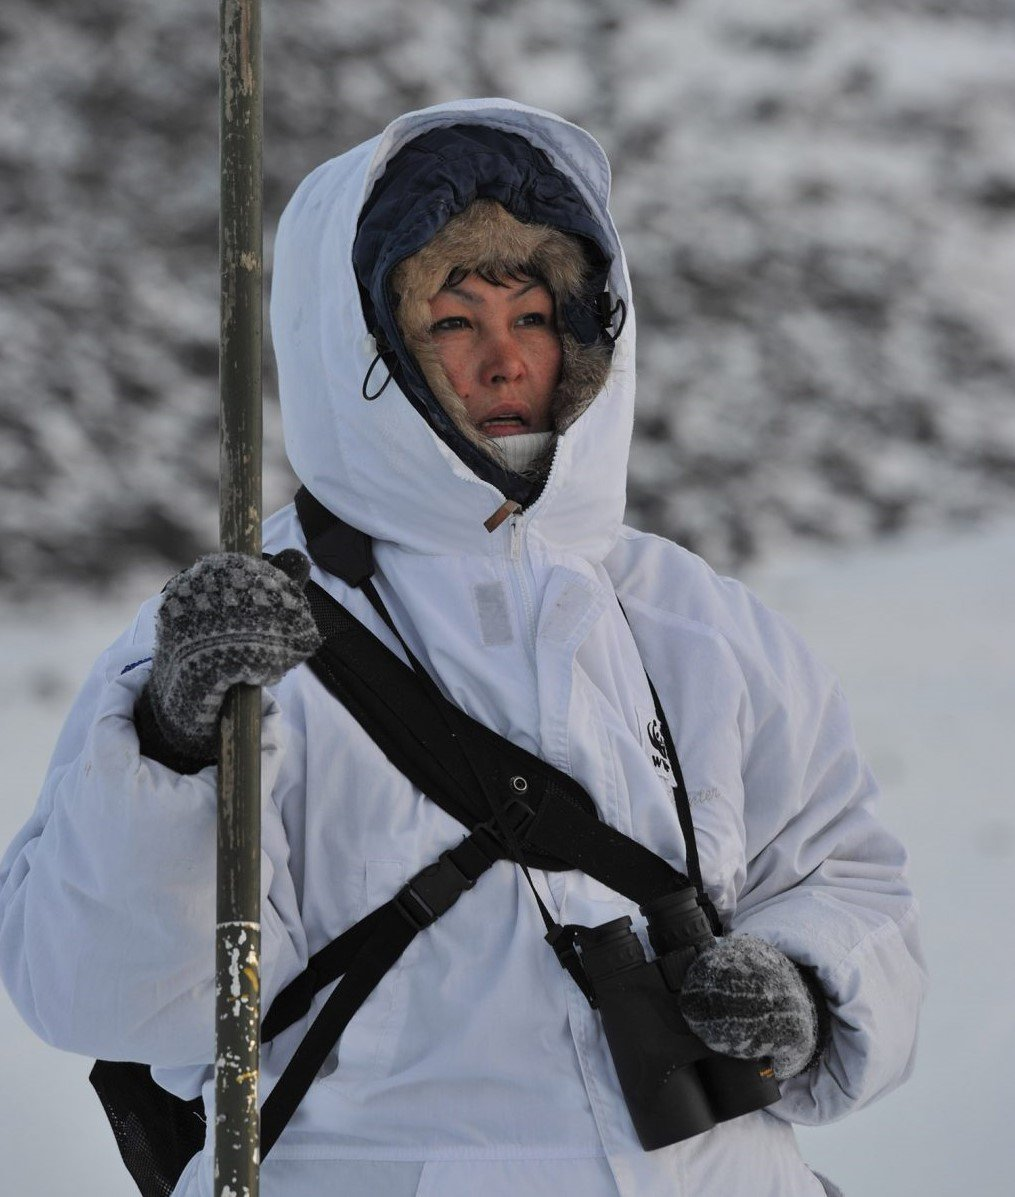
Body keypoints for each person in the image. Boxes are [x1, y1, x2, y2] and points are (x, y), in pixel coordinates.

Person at [0, 98, 925, 1197]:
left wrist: (805, 989)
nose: (501, 361)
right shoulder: (240, 631)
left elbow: (848, 878)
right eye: (450, 321)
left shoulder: (696, 622)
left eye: (532, 316)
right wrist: (174, 748)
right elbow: (103, 993)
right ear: (366, 348)